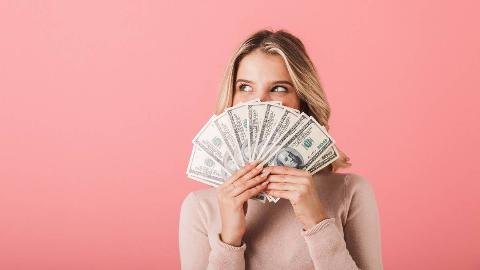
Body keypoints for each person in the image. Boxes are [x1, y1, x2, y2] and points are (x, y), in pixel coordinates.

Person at [179, 29, 383, 270]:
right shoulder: (200, 207)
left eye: (279, 88)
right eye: (245, 87)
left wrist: (317, 221)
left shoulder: (350, 192)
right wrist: (230, 240)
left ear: (302, 101)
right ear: (231, 97)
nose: (259, 102)